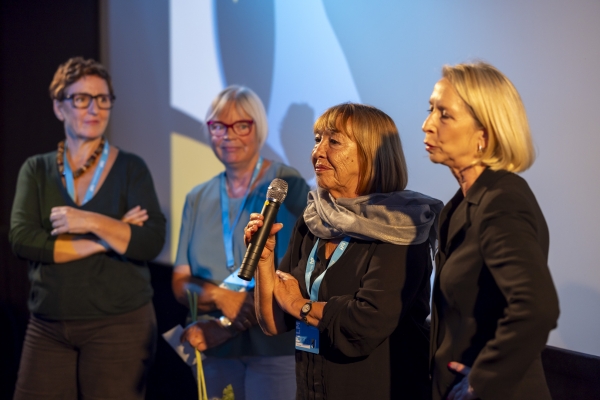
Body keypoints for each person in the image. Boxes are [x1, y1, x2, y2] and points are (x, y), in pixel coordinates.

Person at [247, 103, 443, 399]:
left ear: (372, 155)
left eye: (334, 141)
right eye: (317, 140)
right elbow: (273, 322)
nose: (318, 152)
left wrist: (298, 304)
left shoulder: (400, 225)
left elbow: (364, 323)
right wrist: (264, 261)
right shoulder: (315, 218)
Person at [9, 57, 166, 399]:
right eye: (81, 99)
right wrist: (109, 236)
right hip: (48, 324)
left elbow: (150, 241)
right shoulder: (36, 170)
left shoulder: (131, 168)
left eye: (103, 98)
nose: (94, 108)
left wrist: (90, 221)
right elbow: (23, 240)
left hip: (120, 325)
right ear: (58, 107)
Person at [422, 61, 560, 400]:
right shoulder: (459, 206)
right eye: (430, 110)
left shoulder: (502, 200)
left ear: (484, 134)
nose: (427, 125)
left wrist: (480, 381)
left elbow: (537, 306)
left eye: (445, 115)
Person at [174, 85, 309, 400]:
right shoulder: (197, 197)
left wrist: (230, 324)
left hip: (275, 349)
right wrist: (222, 298)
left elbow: (309, 267)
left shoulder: (287, 185)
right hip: (212, 350)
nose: (228, 135)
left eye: (241, 125)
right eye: (218, 126)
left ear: (258, 129)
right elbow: (180, 282)